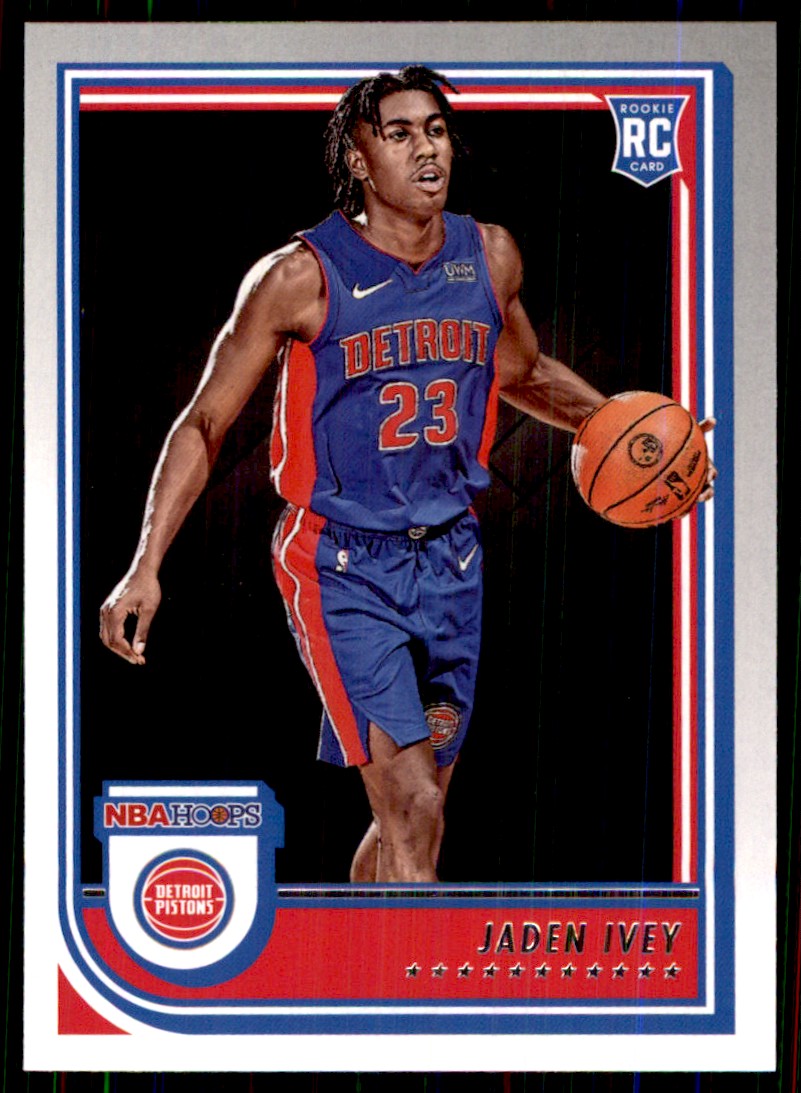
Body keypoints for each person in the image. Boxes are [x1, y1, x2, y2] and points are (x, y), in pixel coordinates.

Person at [99, 66, 711, 884]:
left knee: (413, 816)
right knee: (413, 805)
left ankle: (353, 959)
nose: (427, 149)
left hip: (452, 560)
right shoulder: (299, 276)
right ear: (358, 159)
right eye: (399, 134)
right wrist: (145, 564)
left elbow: (522, 373)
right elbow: (204, 422)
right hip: (342, 564)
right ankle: (411, 973)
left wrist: (647, 447)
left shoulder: (487, 255)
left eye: (435, 129)